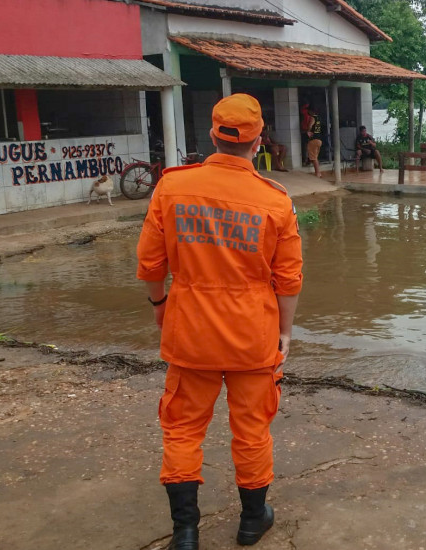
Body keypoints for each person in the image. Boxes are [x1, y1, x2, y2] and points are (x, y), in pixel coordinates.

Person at [136, 93, 303, 550]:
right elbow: (288, 280)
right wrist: (284, 333)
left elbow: (150, 265)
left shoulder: (172, 187)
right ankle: (252, 522)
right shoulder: (274, 200)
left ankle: (186, 533)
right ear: (259, 140)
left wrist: (160, 308)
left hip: (189, 331)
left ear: (212, 134)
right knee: (251, 429)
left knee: (183, 427)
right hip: (253, 335)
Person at [305, 105, 323, 177]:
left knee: (313, 157)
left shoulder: (312, 118)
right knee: (315, 157)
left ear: (311, 111)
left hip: (313, 139)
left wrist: (308, 131)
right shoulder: (319, 118)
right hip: (319, 139)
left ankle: (318, 173)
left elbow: (310, 126)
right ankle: (318, 172)